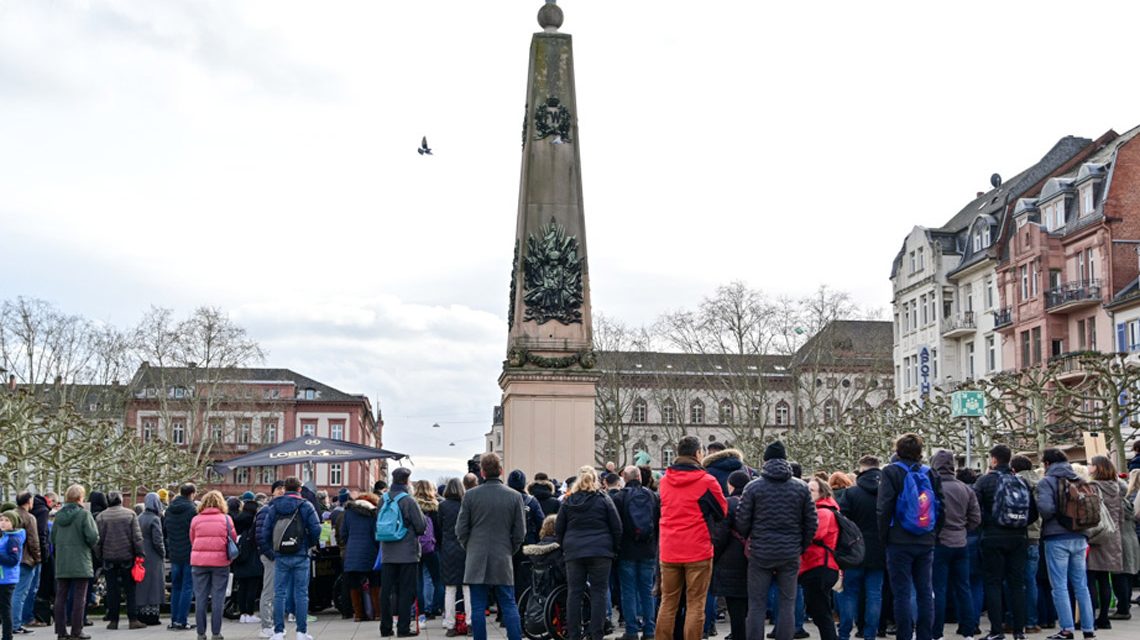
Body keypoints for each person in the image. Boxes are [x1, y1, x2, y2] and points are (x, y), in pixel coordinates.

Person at [736, 440, 813, 640]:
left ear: (765, 461)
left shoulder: (753, 487)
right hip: (790, 552)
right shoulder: (801, 488)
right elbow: (811, 522)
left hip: (760, 551)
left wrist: (750, 539)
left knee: (757, 604)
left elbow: (742, 520)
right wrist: (800, 546)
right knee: (787, 603)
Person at [877, 433, 943, 640]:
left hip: (898, 540)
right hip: (925, 539)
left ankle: (904, 635)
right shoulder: (930, 472)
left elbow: (884, 507)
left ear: (897, 450)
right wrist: (933, 533)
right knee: (925, 591)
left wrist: (884, 536)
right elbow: (941, 506)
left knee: (902, 593)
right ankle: (925, 635)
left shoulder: (890, 472)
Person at [455, 453, 526, 640]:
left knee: (478, 606)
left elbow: (461, 529)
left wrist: (469, 547)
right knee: (509, 603)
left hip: (476, 555)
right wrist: (510, 549)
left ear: (482, 472)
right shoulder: (515, 496)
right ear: (501, 471)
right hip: (503, 554)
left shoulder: (470, 496)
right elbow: (520, 532)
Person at [554, 466, 622, 640]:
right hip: (601, 551)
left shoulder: (568, 502)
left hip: (574, 552)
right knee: (599, 592)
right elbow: (616, 527)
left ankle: (574, 634)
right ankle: (596, 633)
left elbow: (559, 528)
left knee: (574, 593)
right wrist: (613, 549)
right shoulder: (604, 499)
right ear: (595, 480)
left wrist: (565, 547)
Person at [1036, 448, 1096, 640]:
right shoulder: (1079, 480)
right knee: (1081, 585)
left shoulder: (1047, 482)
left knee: (1059, 585)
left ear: (1047, 464)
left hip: (1057, 538)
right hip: (1080, 536)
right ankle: (1088, 628)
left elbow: (1045, 510)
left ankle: (1067, 629)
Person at [258, 477, 322, 640]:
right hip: (301, 554)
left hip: (281, 556)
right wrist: (308, 544)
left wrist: (275, 549)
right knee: (301, 593)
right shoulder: (306, 505)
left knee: (279, 593)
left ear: (285, 489)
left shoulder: (274, 506)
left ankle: (278, 631)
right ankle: (301, 631)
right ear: (300, 489)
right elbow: (316, 529)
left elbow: (265, 532)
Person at [930, 450, 980, 640]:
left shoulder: (932, 486)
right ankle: (968, 631)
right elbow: (976, 518)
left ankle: (937, 632)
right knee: (963, 588)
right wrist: (962, 528)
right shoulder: (965, 488)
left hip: (939, 542)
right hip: (961, 542)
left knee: (939, 589)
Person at [836, 457, 885, 640]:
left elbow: (842, 521)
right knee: (874, 594)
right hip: (879, 549)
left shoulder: (851, 493)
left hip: (854, 549)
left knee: (849, 593)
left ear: (861, 470)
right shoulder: (887, 492)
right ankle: (870, 633)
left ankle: (844, 632)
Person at [612, 466, 660, 640]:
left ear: (624, 477)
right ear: (640, 477)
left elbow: (616, 526)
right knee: (647, 590)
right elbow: (658, 522)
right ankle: (649, 630)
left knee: (628, 591)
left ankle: (631, 630)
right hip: (648, 550)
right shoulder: (653, 496)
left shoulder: (619, 497)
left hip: (627, 550)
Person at [378, 468, 427, 638]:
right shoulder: (408, 501)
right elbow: (421, 527)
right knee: (407, 590)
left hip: (387, 552)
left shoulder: (382, 499)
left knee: (386, 590)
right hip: (407, 553)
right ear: (407, 481)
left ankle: (385, 628)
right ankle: (403, 628)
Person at [52, 484, 98, 640]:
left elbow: (53, 538)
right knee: (79, 597)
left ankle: (61, 631)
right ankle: (77, 631)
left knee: (61, 596)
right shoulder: (84, 514)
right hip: (80, 561)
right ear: (80, 498)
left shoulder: (58, 516)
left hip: (62, 561)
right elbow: (93, 537)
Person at [94, 491, 145, 630]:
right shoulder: (130, 514)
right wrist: (140, 553)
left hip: (109, 558)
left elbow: (97, 540)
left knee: (112, 590)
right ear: (121, 500)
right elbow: (137, 537)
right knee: (130, 590)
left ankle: (113, 620)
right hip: (127, 557)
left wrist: (100, 556)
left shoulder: (101, 517)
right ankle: (133, 619)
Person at [190, 490, 237, 640]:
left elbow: (192, 539)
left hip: (199, 562)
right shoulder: (226, 519)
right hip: (221, 562)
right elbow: (233, 539)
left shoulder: (196, 519)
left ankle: (201, 633)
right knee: (218, 598)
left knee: (200, 598)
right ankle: (216, 633)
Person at [710, 471, 750, 640]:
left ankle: (738, 635)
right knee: (750, 605)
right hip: (753, 557)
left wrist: (714, 556)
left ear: (731, 485)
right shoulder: (754, 501)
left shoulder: (728, 504)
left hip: (730, 560)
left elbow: (720, 536)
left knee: (735, 607)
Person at [1085, 456, 1123, 629]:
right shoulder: (1116, 488)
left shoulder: (1093, 487)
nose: (1088, 467)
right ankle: (1104, 618)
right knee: (1104, 579)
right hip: (1112, 536)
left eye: (1091, 464)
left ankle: (1090, 617)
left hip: (1096, 536)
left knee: (1090, 578)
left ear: (1097, 468)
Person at [800, 478, 840, 640]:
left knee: (821, 612)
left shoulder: (823, 512)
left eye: (811, 490)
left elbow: (815, 534)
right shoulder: (822, 510)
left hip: (820, 566)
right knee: (819, 610)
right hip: (816, 566)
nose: (807, 493)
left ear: (822, 493)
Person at [1011, 455, 1043, 633]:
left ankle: (1014, 620)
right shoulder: (1040, 483)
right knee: (1031, 581)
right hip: (1035, 536)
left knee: (1014, 580)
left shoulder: (1014, 483)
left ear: (1013, 469)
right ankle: (1031, 621)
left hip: (1017, 534)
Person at [338, 493, 380, 622]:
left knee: (354, 585)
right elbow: (376, 534)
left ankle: (358, 614)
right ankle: (378, 613)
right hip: (371, 552)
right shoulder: (374, 514)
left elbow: (343, 533)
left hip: (352, 553)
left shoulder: (348, 513)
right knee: (375, 584)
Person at [437, 479, 471, 637]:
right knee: (467, 588)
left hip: (448, 549)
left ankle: (450, 625)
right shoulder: (466, 503)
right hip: (466, 548)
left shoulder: (443, 506)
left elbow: (439, 528)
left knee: (450, 589)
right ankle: (470, 624)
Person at [507, 470, 546, 606]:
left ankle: (504, 612)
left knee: (506, 580)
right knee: (525, 580)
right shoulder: (531, 501)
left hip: (506, 544)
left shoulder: (504, 499)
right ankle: (523, 608)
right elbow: (542, 523)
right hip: (527, 545)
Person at [255, 481, 286, 638]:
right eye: (278, 489)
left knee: (279, 592)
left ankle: (275, 623)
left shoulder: (283, 509)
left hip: (280, 555)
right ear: (272, 492)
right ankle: (266, 625)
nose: (281, 491)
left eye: (284, 489)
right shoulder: (266, 510)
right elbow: (260, 536)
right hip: (271, 556)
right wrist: (271, 554)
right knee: (269, 591)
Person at [166, 483, 198, 631]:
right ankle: (182, 620)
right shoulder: (192, 510)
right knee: (187, 587)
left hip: (174, 552)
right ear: (192, 494)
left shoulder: (169, 510)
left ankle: (174, 620)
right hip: (189, 552)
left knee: (176, 587)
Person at [412, 480, 444, 621]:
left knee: (419, 580)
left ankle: (422, 611)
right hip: (432, 547)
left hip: (416, 547)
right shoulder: (436, 507)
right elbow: (439, 530)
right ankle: (436, 608)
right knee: (436, 579)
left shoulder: (413, 506)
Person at [10, 494, 40, 636]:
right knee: (20, 593)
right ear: (29, 501)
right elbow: (33, 541)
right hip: (25, 560)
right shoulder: (29, 518)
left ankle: (9, 621)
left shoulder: (9, 515)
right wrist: (38, 558)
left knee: (10, 592)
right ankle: (16, 624)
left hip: (10, 560)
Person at [232, 492, 263, 625]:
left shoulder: (236, 520)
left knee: (242, 587)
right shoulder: (253, 523)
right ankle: (249, 613)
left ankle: (242, 613)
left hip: (239, 558)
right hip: (252, 558)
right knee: (252, 587)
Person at [136, 493, 167, 626]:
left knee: (142, 586)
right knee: (154, 585)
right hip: (153, 556)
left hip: (141, 554)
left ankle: (141, 613)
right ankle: (152, 615)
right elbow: (158, 540)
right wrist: (163, 553)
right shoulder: (155, 519)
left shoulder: (139, 517)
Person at [1, 510, 28, 640]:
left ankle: (7, 636)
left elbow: (13, 560)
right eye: (1, 520)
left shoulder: (13, 539)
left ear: (14, 523)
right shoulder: (4, 536)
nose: (3, 523)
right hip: (2, 577)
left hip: (7, 579)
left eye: (7, 520)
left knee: (5, 609)